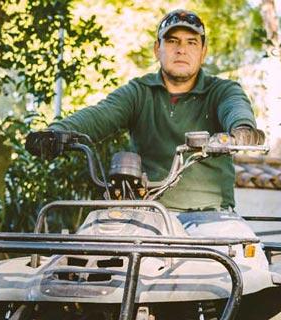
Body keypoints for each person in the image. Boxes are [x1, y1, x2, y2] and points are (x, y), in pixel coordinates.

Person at [24, 9, 265, 213]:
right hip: (148, 214)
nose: (181, 49)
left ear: (203, 52)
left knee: (235, 263)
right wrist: (56, 133)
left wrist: (242, 129)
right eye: (172, 41)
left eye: (191, 42)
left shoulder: (221, 90)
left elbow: (236, 108)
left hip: (210, 216)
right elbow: (100, 115)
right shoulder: (139, 92)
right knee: (102, 257)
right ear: (156, 49)